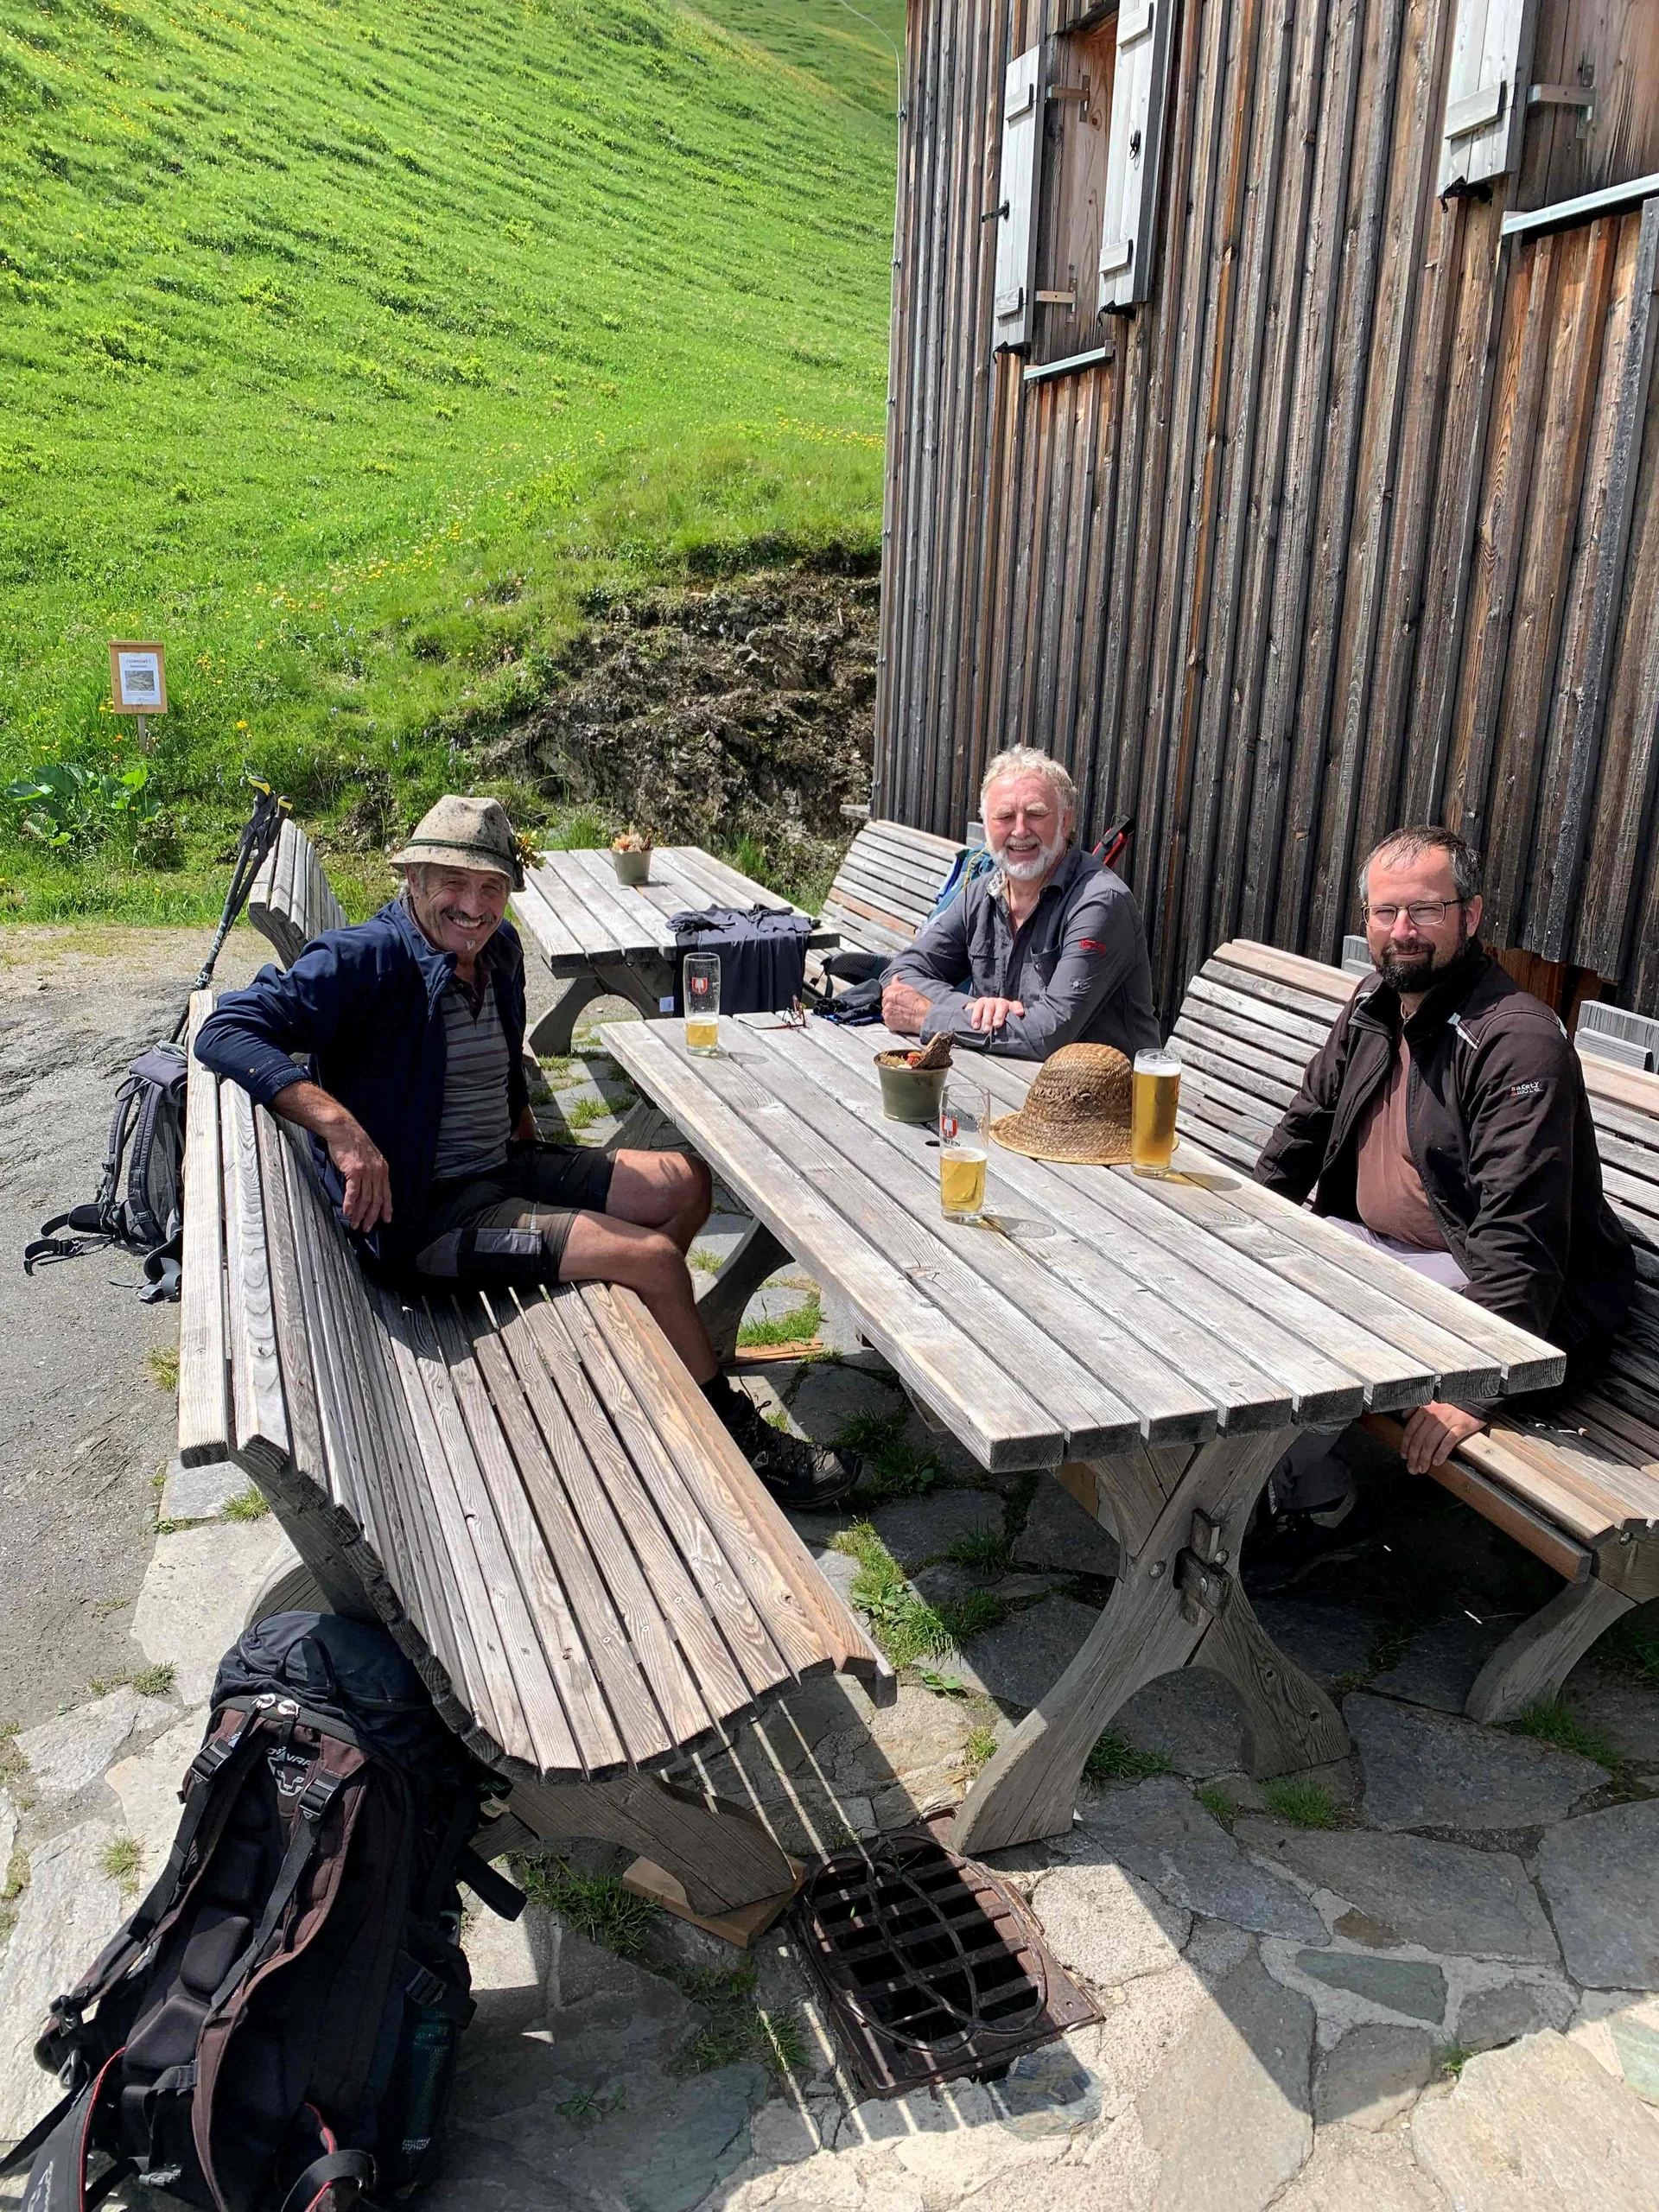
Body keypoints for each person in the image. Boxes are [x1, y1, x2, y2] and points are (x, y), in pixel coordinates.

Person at [194, 794, 853, 1507]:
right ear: (412, 880)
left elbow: (503, 1059)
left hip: (500, 1168)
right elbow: (226, 1030)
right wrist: (342, 1129)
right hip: (426, 1222)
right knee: (652, 1259)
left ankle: (664, 1360)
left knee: (686, 1182)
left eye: (491, 888)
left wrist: (516, 1115)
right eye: (453, 884)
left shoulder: (497, 951)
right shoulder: (366, 959)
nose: (473, 907)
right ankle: (735, 1440)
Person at [1250, 823, 1632, 1568]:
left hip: (1492, 1287)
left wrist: (1479, 1386)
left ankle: (1315, 1510)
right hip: (1385, 1255)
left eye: (1425, 910)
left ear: (1472, 915)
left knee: (1320, 1335)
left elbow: (1522, 1234)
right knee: (1240, 1299)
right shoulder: (1372, 1003)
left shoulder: (1515, 1039)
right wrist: (1240, 1235)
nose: (1403, 932)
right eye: (1385, 913)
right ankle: (1246, 1484)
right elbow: (1303, 1129)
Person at [879, 747, 1160, 1061]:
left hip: (1111, 1101)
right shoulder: (982, 893)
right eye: (1005, 816)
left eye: (1036, 813)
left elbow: (1050, 1033)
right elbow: (902, 971)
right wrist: (970, 1008)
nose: (1021, 830)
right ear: (986, 827)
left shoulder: (1100, 903)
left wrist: (927, 1016)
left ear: (1066, 822)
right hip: (1008, 1080)